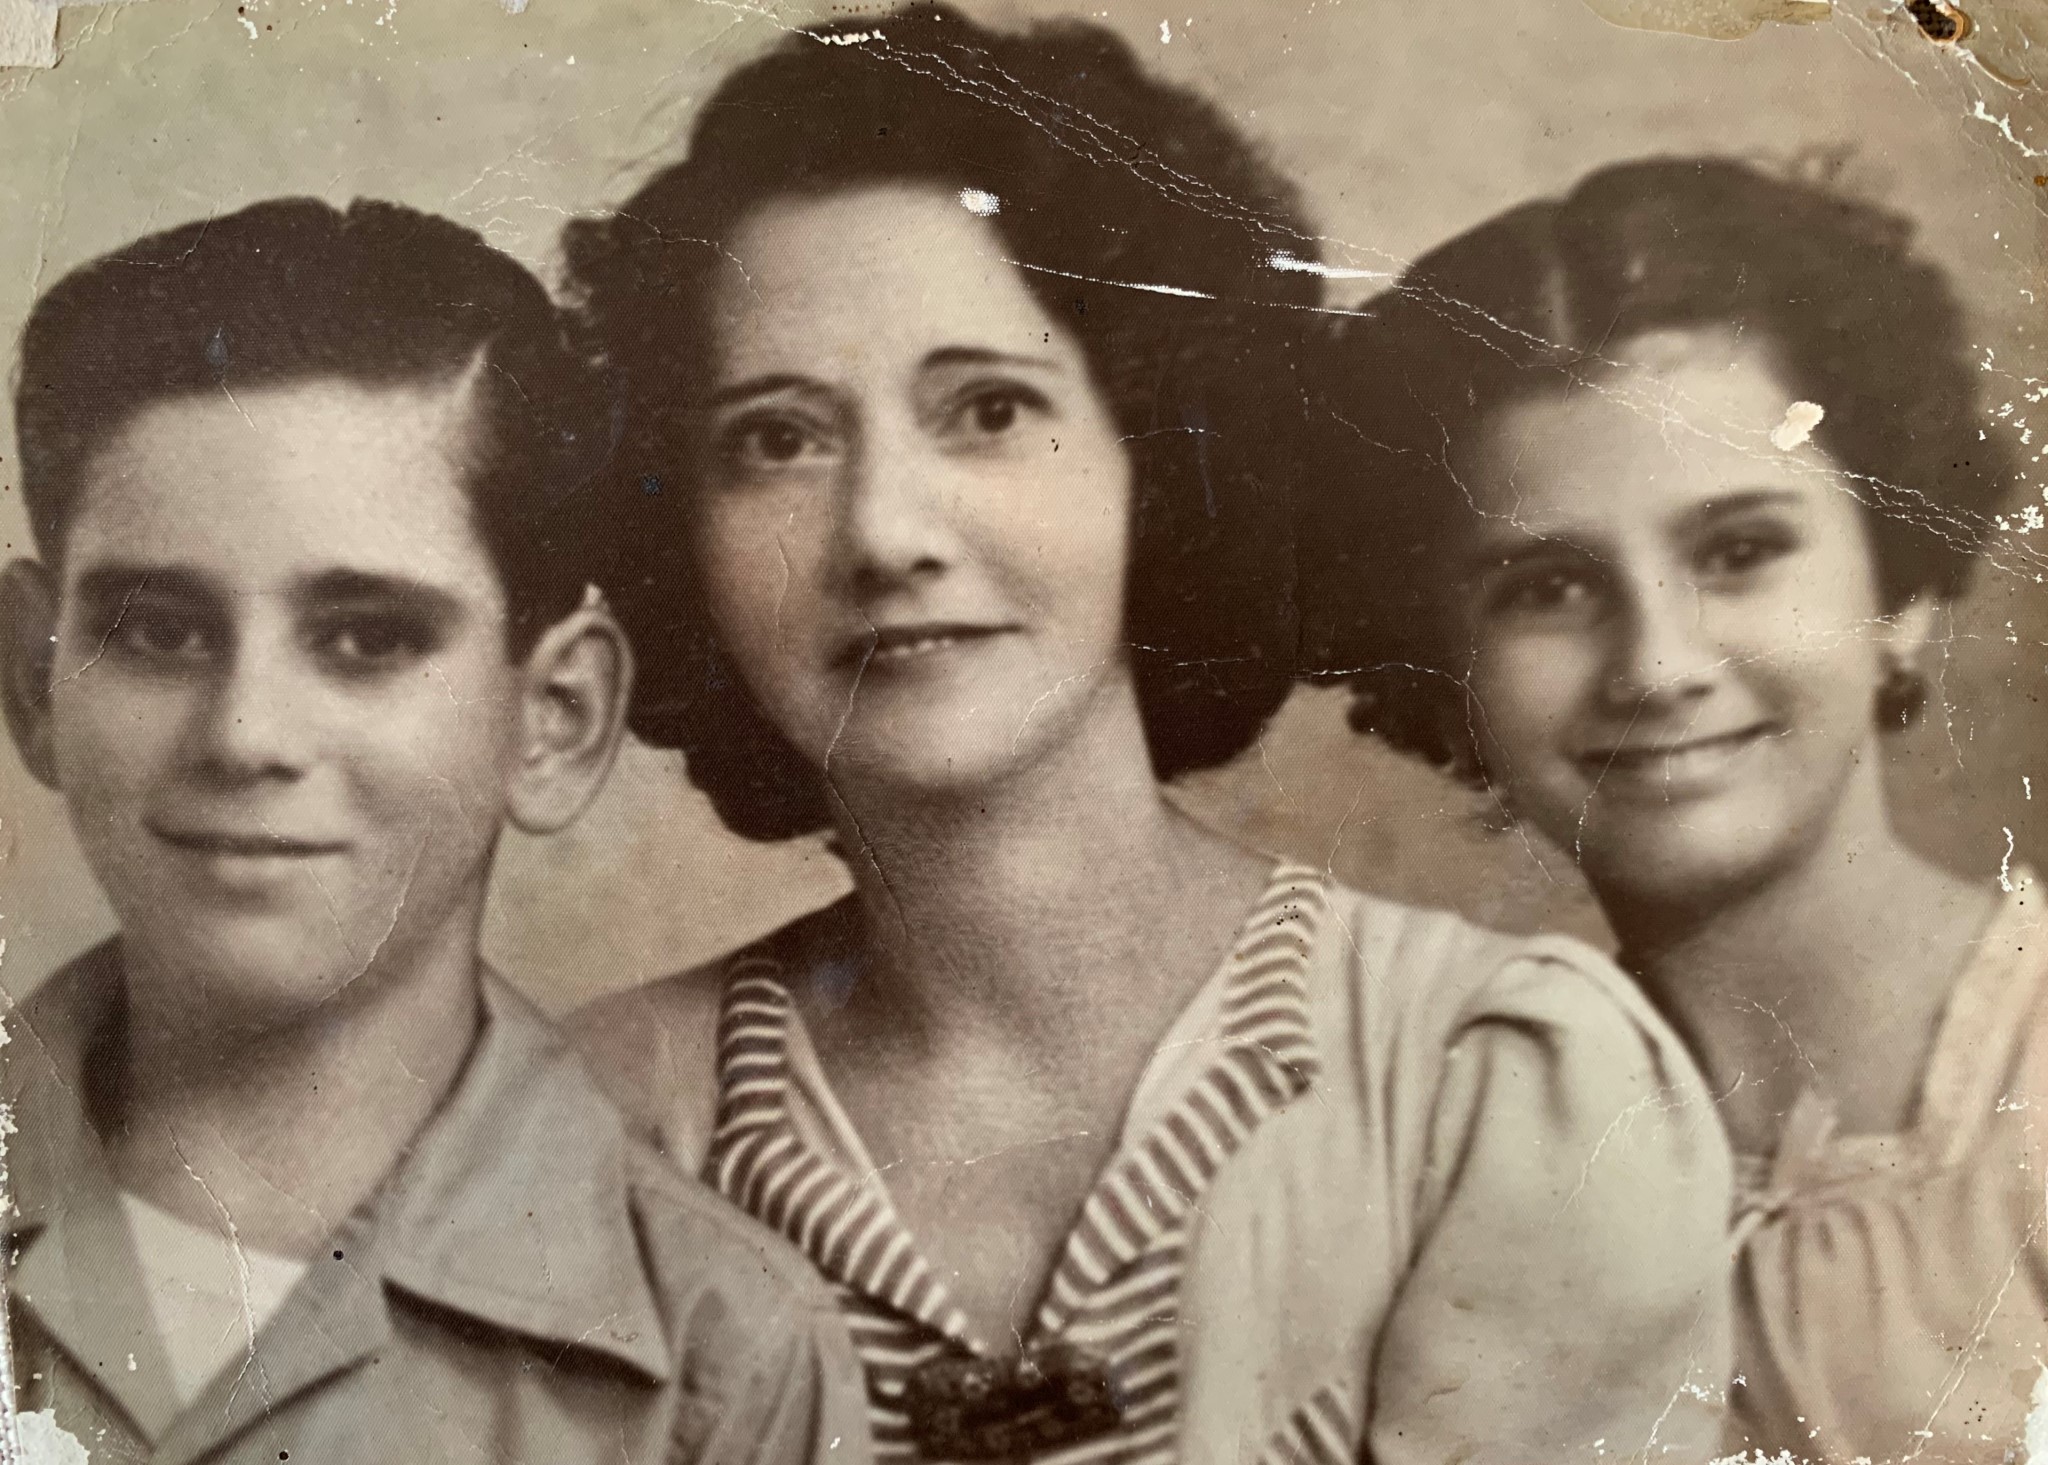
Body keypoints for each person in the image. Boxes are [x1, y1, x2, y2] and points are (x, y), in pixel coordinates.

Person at [562, 11, 1734, 1463]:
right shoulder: (589, 1129)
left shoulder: (1487, 1086)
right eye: (777, 439)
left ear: (1163, 455)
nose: (882, 532)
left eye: (989, 409)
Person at [0, 198, 869, 1465]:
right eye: (160, 631)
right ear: (36, 680)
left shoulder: (715, 1364)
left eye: (366, 638)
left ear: (555, 718)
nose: (245, 734)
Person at [1301, 156, 2034, 1462]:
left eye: (1738, 553)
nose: (1655, 664)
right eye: (1547, 587)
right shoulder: (1438, 1135)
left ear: (1899, 589)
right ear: (1444, 674)